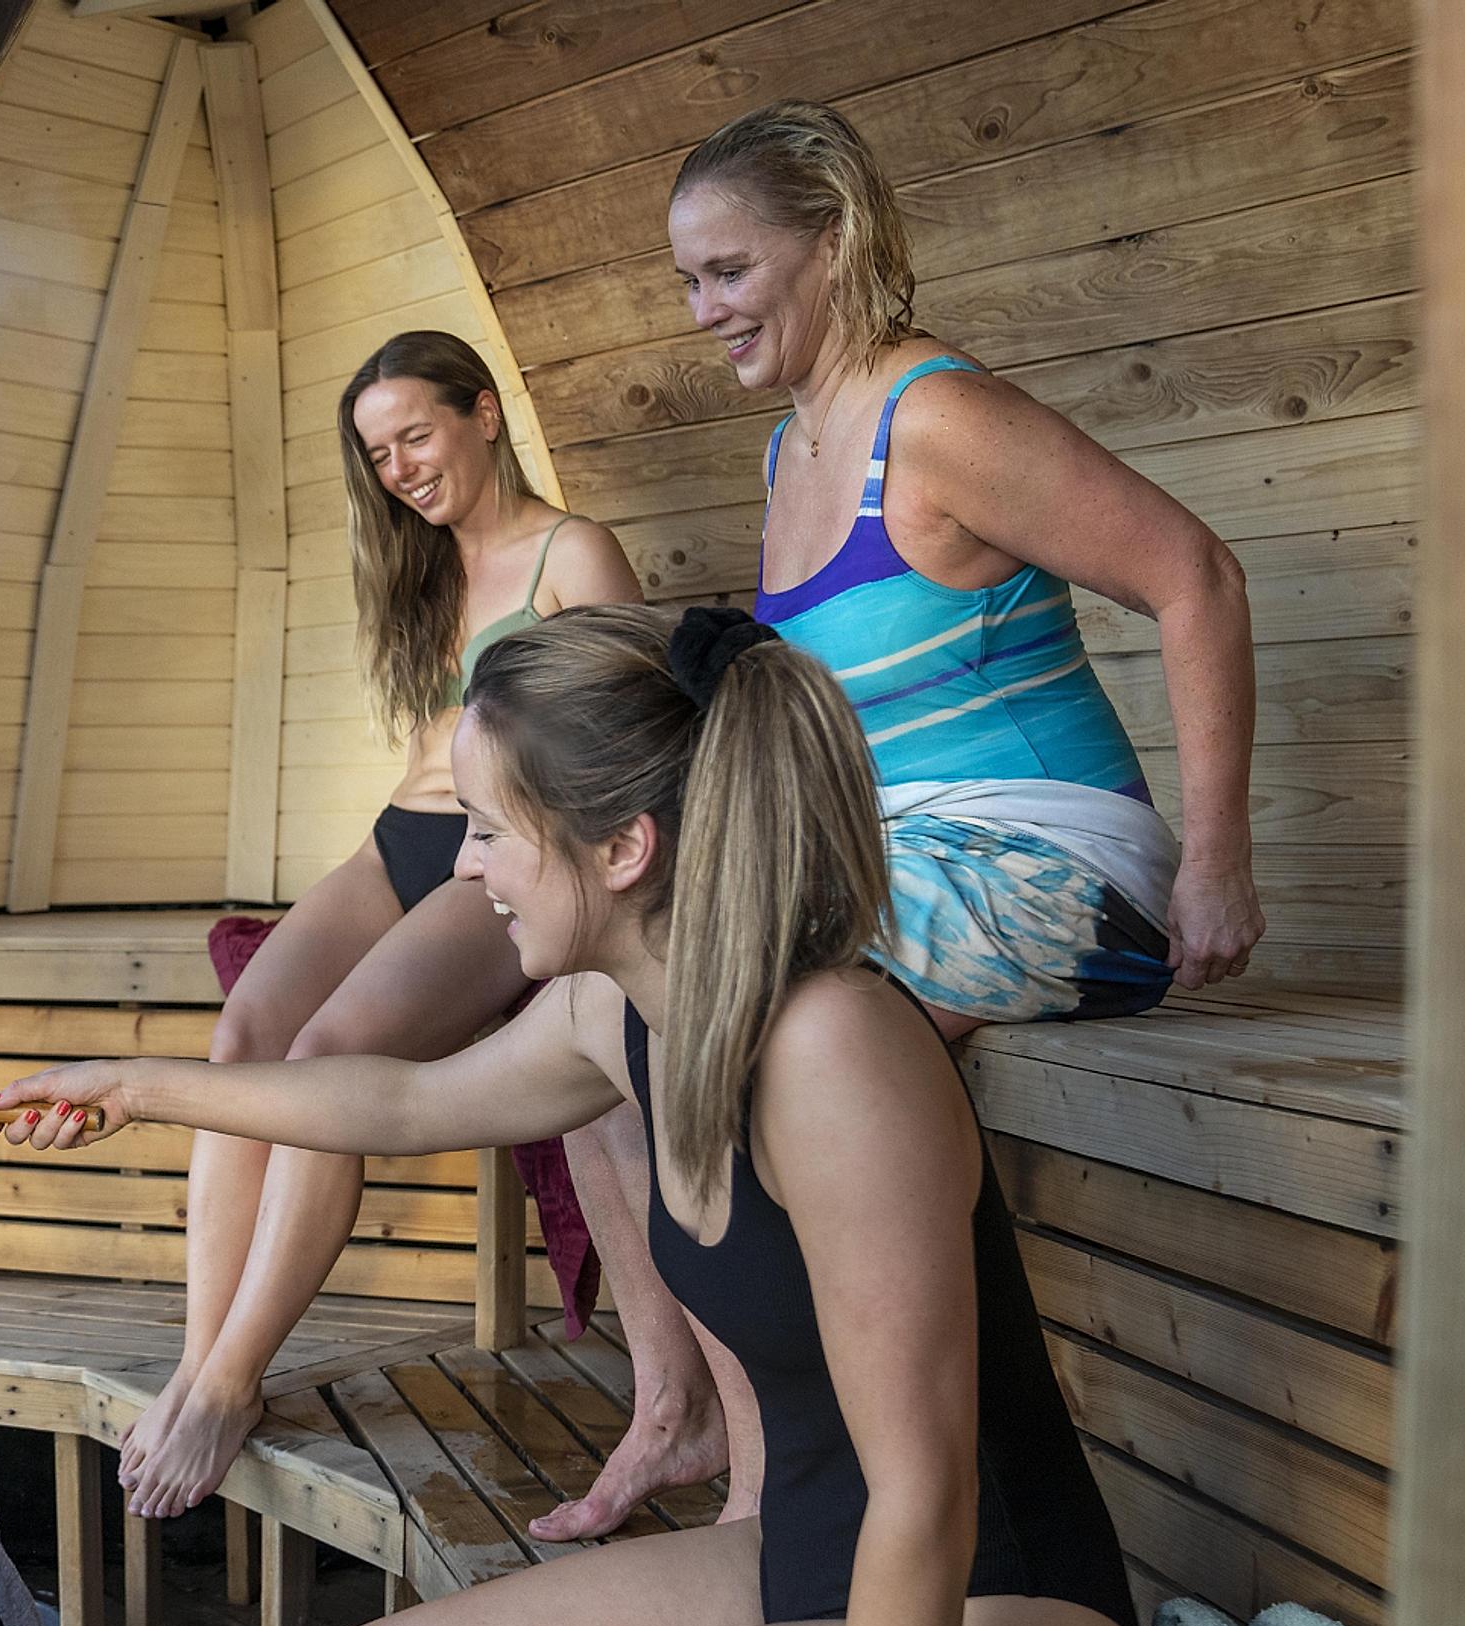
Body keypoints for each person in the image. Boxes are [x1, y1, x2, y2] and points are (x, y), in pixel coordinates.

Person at [0, 605, 1142, 1626]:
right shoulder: (618, 1007)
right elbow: (399, 1098)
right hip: (801, 1559)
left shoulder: (830, 1051)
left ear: (623, 847)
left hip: (975, 1597)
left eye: (488, 829)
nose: (465, 867)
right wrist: (132, 1086)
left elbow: (925, 1495)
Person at [540, 96, 1269, 1538]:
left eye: (729, 271)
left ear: (832, 241)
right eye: (688, 279)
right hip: (895, 867)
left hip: (1057, 865)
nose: (702, 310)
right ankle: (701, 1418)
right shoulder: (789, 449)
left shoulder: (935, 418)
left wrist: (1218, 863)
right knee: (621, 992)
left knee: (742, 1022)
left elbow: (1197, 576)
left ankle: (840, 1491)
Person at [114, 331, 649, 1521]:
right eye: (378, 452)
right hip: (395, 839)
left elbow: (639, 730)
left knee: (325, 1056)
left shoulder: (571, 551)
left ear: (483, 413)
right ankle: (199, 1361)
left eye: (415, 434)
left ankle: (232, 1381)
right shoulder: (425, 566)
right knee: (244, 1033)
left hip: (495, 854)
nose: (399, 468)